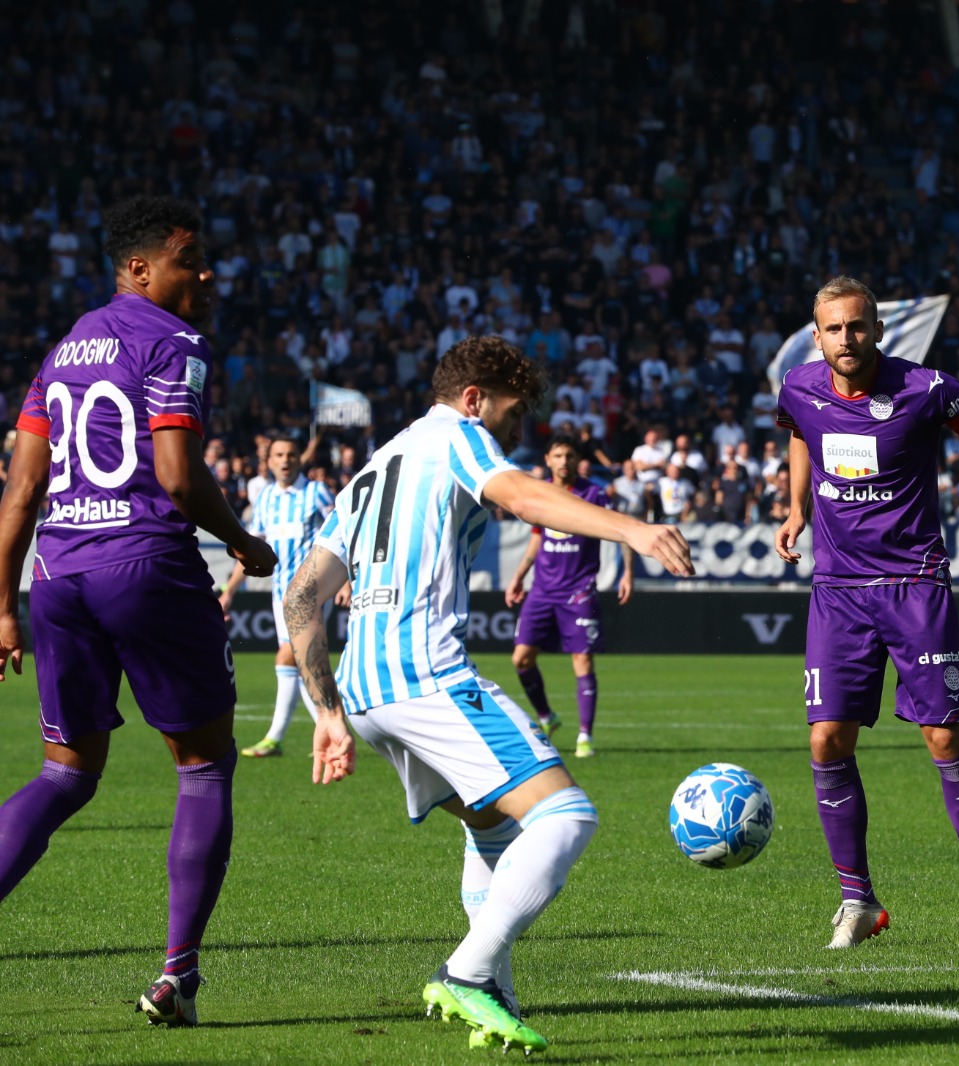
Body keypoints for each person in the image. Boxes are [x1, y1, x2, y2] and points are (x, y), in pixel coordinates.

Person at [282, 336, 692, 1053]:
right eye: (509, 415)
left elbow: (301, 596)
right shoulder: (457, 437)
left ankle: (494, 995)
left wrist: (328, 712)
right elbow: (521, 494)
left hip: (367, 691)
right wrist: (633, 528)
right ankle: (469, 973)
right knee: (567, 817)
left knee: (493, 829)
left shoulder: (376, 465)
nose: (512, 433)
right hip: (426, 676)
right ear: (474, 399)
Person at [0, 196, 278, 1026]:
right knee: (202, 764)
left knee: (64, 773)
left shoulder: (60, 352)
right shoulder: (174, 341)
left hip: (57, 575)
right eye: (189, 259)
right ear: (139, 269)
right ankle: (177, 978)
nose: (206, 274)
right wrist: (245, 542)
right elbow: (177, 476)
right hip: (146, 566)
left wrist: (4, 608)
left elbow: (19, 491)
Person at [774, 276, 959, 950]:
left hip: (914, 584)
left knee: (944, 739)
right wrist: (795, 507)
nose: (848, 339)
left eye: (858, 326)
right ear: (818, 336)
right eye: (835, 328)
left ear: (877, 330)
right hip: (838, 591)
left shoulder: (926, 390)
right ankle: (857, 901)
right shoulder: (798, 387)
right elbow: (800, 436)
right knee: (825, 740)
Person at [504, 433, 634, 758]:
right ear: (548, 460)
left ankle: (584, 737)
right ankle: (547, 717)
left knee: (582, 658)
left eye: (569, 456)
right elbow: (537, 538)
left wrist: (627, 571)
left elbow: (623, 530)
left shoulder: (593, 494)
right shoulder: (541, 494)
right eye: (558, 456)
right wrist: (518, 577)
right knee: (520, 658)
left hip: (578, 590)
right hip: (542, 590)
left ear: (577, 460)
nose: (564, 461)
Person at [219, 434, 345, 757]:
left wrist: (345, 579)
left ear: (299, 459)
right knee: (301, 659)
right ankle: (329, 723)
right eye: (279, 455)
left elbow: (343, 532)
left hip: (315, 590)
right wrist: (230, 591)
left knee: (289, 653)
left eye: (291, 454)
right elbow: (248, 550)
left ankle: (276, 737)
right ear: (270, 461)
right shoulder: (265, 500)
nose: (286, 460)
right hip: (280, 594)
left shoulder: (317, 492)